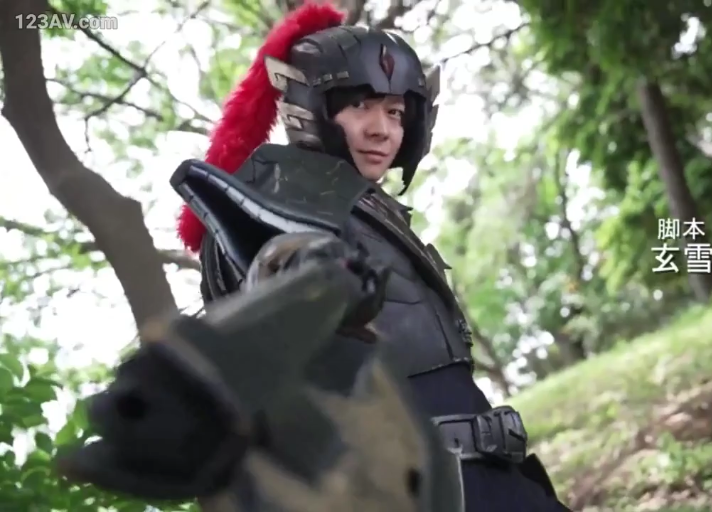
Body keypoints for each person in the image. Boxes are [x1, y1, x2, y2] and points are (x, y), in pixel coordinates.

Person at [63, 3, 571, 511]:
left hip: (482, 477)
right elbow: (289, 262)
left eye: (395, 112)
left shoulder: (358, 203)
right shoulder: (280, 195)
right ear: (311, 109)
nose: (382, 129)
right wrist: (199, 379)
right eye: (360, 106)